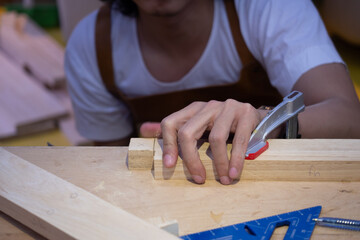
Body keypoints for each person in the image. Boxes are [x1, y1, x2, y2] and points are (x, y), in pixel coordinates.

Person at [65, 0, 360, 185]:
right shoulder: (92, 45)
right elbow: (111, 172)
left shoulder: (272, 7)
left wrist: (266, 122)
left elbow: (350, 118)